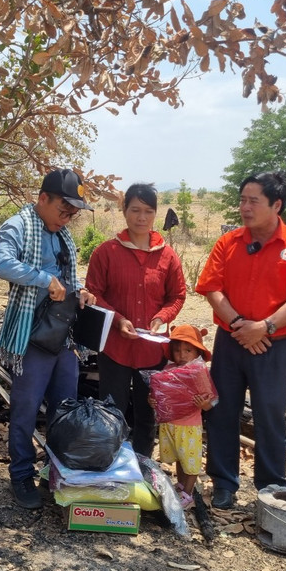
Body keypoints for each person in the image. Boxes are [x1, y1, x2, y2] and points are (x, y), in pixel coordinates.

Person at [195, 170, 286, 510]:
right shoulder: (229, 242)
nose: (245, 207)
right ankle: (223, 482)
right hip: (230, 340)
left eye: (254, 201)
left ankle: (271, 487)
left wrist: (263, 327)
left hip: (273, 346)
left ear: (276, 204)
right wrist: (240, 325)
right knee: (222, 412)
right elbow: (212, 288)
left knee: (270, 414)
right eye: (242, 200)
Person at [0, 168, 95, 509]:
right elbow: (1, 263)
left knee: (64, 409)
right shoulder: (19, 225)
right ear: (42, 199)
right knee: (25, 410)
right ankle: (21, 474)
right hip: (31, 337)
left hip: (64, 337)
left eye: (72, 214)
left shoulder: (63, 236)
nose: (66, 219)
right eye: (63, 211)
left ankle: (54, 472)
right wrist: (43, 279)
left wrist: (81, 294)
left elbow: (70, 278)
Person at [85, 182, 186, 456]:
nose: (141, 218)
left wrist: (162, 317)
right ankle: (109, 468)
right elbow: (94, 292)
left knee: (147, 414)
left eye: (148, 211)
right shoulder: (106, 252)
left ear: (155, 214)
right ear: (124, 210)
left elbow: (177, 295)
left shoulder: (168, 256)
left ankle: (143, 468)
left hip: (153, 350)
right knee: (111, 413)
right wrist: (118, 319)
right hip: (115, 348)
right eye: (135, 210)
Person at [148, 325, 216, 509]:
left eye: (188, 350)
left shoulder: (199, 372)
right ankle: (181, 485)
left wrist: (204, 405)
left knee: (191, 461)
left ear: (197, 352)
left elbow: (212, 401)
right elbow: (158, 393)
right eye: (177, 350)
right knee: (180, 457)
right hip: (170, 424)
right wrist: (152, 401)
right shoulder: (168, 368)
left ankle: (188, 493)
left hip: (190, 425)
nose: (182, 355)